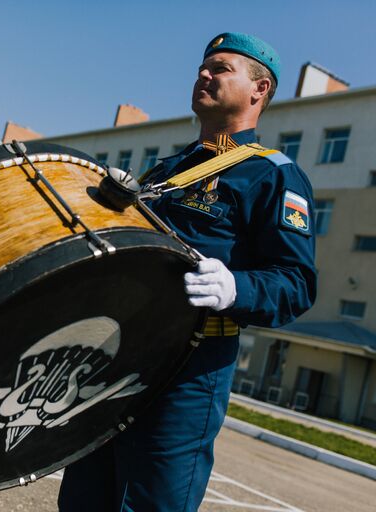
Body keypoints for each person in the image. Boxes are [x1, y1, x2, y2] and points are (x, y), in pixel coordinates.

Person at [58, 33, 316, 511]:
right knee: (84, 499)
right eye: (203, 66)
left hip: (191, 366)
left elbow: (296, 284)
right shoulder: (164, 173)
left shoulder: (273, 174)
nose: (204, 74)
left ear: (259, 90)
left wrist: (236, 286)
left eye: (221, 68)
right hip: (118, 353)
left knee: (155, 504)